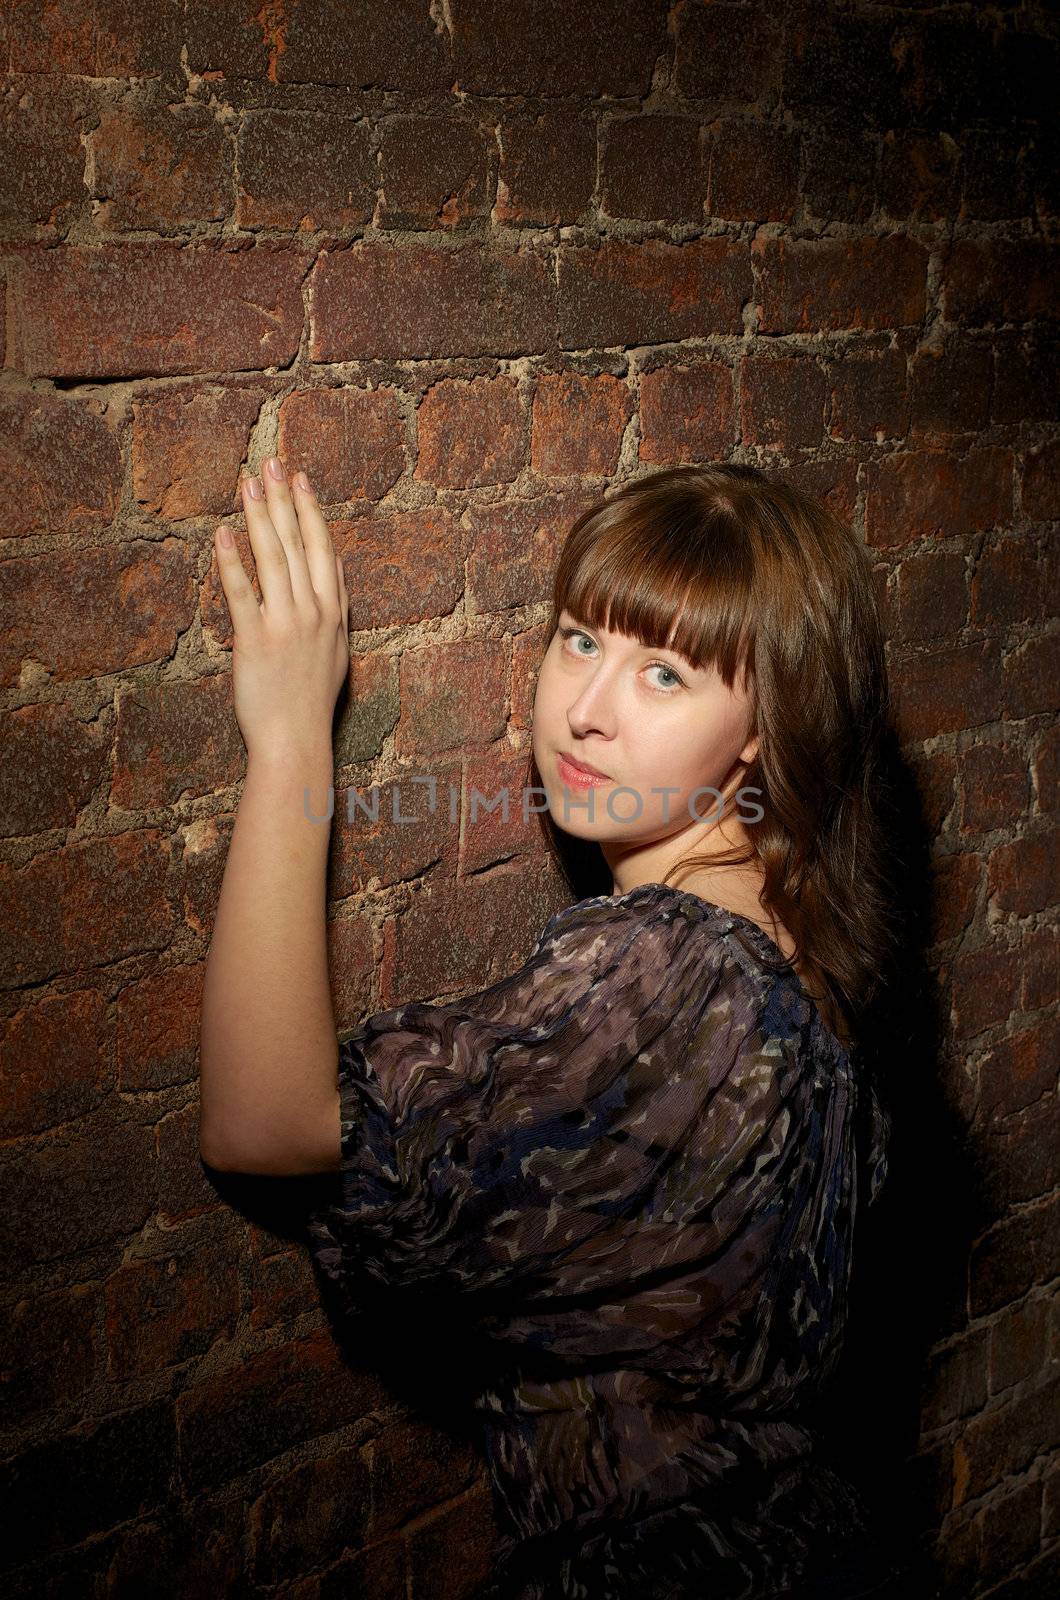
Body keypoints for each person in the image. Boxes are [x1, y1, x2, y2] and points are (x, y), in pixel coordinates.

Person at [199, 459, 912, 1598]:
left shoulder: (663, 977)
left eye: (664, 672)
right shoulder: (794, 943)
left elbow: (266, 1124)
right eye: (579, 637)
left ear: (759, 731)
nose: (585, 705)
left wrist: (288, 741)